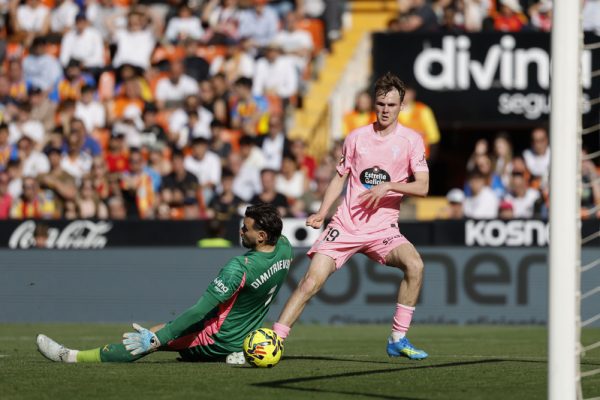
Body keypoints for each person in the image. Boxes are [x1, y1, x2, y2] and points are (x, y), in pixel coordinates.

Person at [272, 72, 430, 360]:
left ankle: (397, 338)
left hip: (383, 230)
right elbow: (339, 177)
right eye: (381, 104)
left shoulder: (411, 141)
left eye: (391, 105)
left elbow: (422, 187)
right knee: (310, 282)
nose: (385, 110)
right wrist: (322, 212)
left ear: (401, 106)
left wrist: (389, 186)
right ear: (374, 103)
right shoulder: (356, 137)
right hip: (345, 225)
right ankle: (275, 340)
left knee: (415, 265)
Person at [37, 203, 294, 364]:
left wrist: (157, 340)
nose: (241, 231)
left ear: (262, 236)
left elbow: (199, 311)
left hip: (216, 338)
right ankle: (233, 353)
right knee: (161, 330)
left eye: (246, 229)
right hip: (242, 337)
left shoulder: (239, 268)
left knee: (145, 341)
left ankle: (70, 356)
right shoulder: (284, 247)